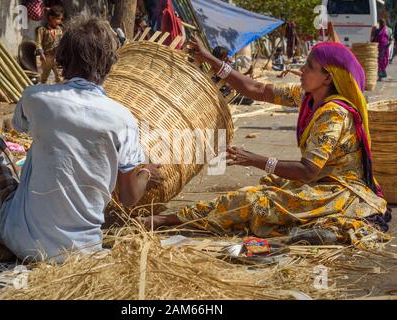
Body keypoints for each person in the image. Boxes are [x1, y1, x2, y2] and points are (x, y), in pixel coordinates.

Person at [140, 38, 392, 245]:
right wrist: (210, 60)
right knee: (266, 191)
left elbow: (308, 171)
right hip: (318, 182)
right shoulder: (307, 96)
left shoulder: (333, 113)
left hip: (335, 190)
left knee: (255, 201)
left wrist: (254, 160)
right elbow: (256, 89)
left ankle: (166, 220)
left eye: (310, 67)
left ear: (328, 78)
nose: (302, 70)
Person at [0, 17, 162, 263]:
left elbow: (19, 125)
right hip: (82, 252)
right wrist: (146, 171)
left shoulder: (36, 98)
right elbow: (128, 198)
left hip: (23, 237)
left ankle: (9, 243)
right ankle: (15, 247)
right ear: (109, 65)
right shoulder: (123, 118)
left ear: (62, 60)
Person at [36, 5, 64, 84]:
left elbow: (61, 41)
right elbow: (38, 43)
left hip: (56, 57)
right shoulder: (42, 30)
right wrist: (41, 53)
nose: (59, 21)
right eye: (58, 19)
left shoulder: (59, 30)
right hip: (46, 58)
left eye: (61, 19)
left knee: (59, 77)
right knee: (43, 78)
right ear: (51, 18)